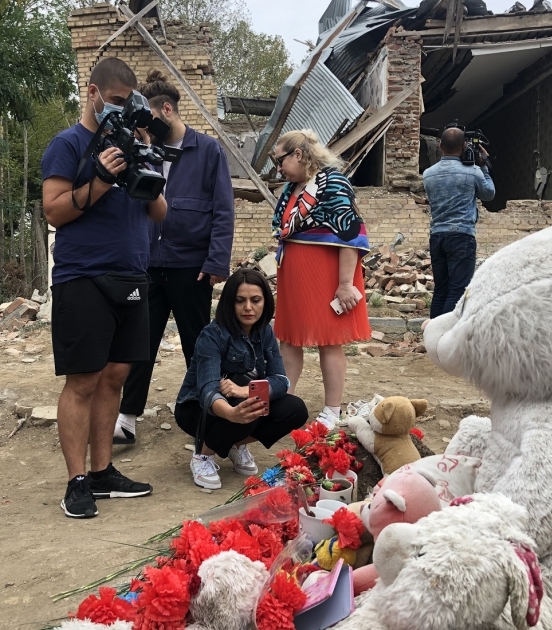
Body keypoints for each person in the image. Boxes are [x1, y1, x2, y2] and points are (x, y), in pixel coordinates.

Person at [41, 57, 168, 519]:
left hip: (134, 275)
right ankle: (76, 481)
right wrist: (99, 179)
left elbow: (160, 214)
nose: (121, 109)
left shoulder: (133, 144)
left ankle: (103, 472)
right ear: (93, 93)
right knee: (83, 380)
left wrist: (144, 157)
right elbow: (54, 211)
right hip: (83, 277)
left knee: (115, 376)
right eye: (115, 101)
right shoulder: (68, 144)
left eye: (128, 102)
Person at [114, 70, 235, 445]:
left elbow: (223, 209)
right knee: (139, 343)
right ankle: (127, 418)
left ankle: (205, 416)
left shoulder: (208, 150)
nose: (142, 128)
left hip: (191, 267)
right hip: (148, 265)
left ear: (166, 110)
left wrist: (216, 263)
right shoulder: (141, 149)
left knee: (198, 345)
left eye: (149, 119)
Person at [270, 129, 371, 430]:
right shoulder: (293, 188)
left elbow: (350, 236)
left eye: (280, 161)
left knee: (329, 342)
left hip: (325, 275)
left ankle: (332, 410)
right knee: (289, 340)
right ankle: (284, 401)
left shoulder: (334, 184)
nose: (278, 168)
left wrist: (344, 284)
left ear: (298, 155)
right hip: (294, 276)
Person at [174, 269, 309, 490]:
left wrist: (245, 391)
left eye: (255, 300)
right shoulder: (212, 335)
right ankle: (203, 455)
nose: (248, 307)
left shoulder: (264, 332)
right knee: (249, 408)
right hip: (197, 410)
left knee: (295, 409)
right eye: (240, 301)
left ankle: (234, 444)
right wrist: (232, 414)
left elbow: (281, 380)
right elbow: (207, 388)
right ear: (229, 303)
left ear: (265, 302)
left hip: (239, 401)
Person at [422, 126, 496, 318]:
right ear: (464, 146)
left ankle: (432, 339)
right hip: (461, 236)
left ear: (440, 145)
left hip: (437, 235)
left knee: (441, 290)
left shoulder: (428, 173)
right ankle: (445, 337)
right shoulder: (473, 172)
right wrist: (483, 165)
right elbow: (489, 194)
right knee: (457, 291)